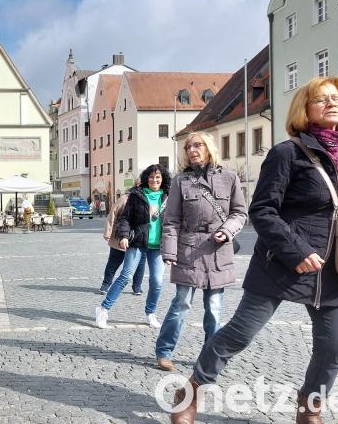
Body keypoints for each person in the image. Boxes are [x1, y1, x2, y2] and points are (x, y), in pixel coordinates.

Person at [170, 76, 338, 424]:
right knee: (241, 333)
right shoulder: (287, 153)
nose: (332, 103)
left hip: (333, 269)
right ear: (304, 110)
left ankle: (309, 407)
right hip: (281, 263)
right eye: (321, 100)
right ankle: (193, 388)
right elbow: (262, 210)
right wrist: (295, 250)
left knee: (333, 349)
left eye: (337, 98)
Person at [155, 132, 246, 372]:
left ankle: (210, 356)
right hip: (188, 249)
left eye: (198, 145)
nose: (192, 150)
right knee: (181, 303)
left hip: (218, 251)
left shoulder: (230, 177)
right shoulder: (180, 181)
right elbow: (171, 219)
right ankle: (164, 352)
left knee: (214, 308)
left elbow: (239, 213)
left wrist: (227, 231)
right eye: (188, 147)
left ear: (209, 148)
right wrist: (170, 252)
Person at [96, 164, 170, 329]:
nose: (154, 180)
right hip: (137, 243)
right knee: (125, 276)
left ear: (162, 178)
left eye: (158, 177)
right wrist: (123, 236)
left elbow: (174, 223)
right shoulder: (136, 195)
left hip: (158, 247)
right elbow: (125, 218)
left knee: (157, 281)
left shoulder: (168, 197)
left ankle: (151, 313)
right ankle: (103, 309)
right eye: (151, 177)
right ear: (146, 178)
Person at [98, 192, 146, 296]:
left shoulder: (148, 199)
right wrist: (108, 232)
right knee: (113, 262)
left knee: (139, 265)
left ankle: (137, 287)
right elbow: (112, 214)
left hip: (139, 238)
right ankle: (106, 284)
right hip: (120, 236)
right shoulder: (125, 198)